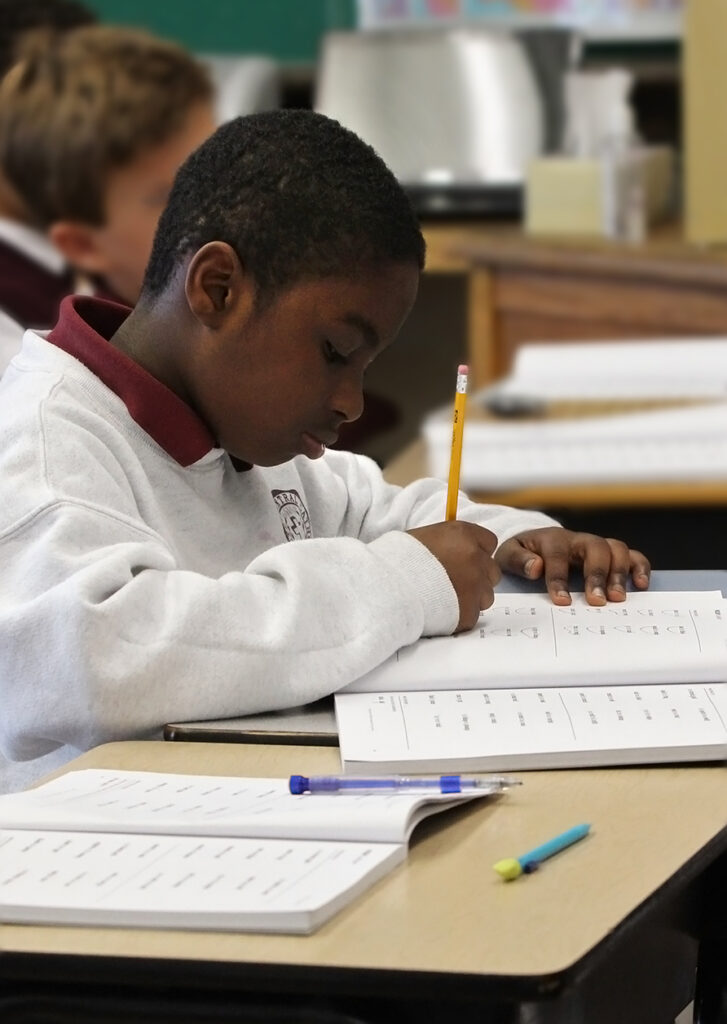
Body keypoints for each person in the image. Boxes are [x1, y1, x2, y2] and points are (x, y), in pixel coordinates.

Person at [0, 110, 650, 792]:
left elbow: (382, 513)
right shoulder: (45, 445)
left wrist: (516, 541)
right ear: (217, 289)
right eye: (336, 352)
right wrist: (404, 583)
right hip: (99, 866)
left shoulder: (247, 433)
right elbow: (99, 661)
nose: (351, 402)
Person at [0, 22, 215, 374]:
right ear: (84, 245)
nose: (217, 206)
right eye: (173, 196)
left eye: (218, 166)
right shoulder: (78, 364)